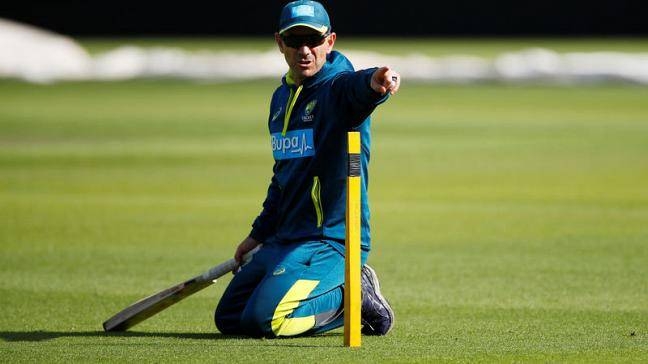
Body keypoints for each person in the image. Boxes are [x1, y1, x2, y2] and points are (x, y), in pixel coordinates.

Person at [214, 0, 400, 338]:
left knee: (267, 321)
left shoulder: (336, 88)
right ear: (279, 43)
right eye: (295, 40)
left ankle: (354, 296)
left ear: (330, 41)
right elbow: (283, 178)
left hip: (330, 240)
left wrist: (376, 83)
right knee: (229, 319)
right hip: (284, 238)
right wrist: (258, 233)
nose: (305, 49)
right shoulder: (280, 99)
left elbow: (358, 90)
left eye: (313, 40)